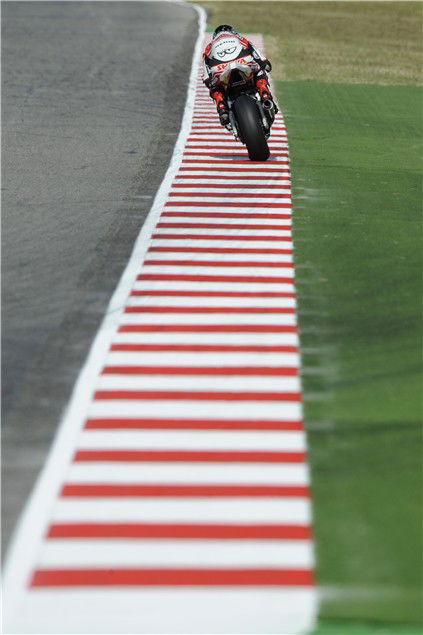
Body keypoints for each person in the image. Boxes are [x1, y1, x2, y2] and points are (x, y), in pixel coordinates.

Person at [202, 24, 276, 126]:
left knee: (215, 87)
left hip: (219, 68)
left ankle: (222, 107)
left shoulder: (209, 46)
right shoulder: (238, 38)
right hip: (242, 61)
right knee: (259, 70)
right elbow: (254, 50)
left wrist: (209, 82)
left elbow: (206, 69)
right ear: (233, 32)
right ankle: (264, 94)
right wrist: (264, 62)